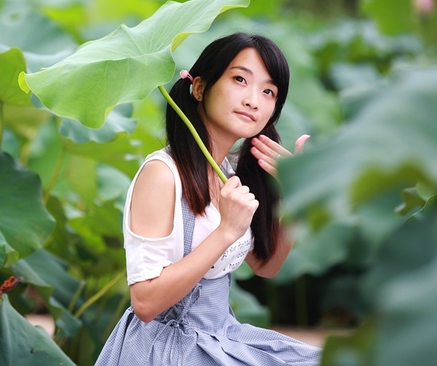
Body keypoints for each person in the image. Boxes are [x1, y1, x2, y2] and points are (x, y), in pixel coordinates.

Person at [95, 33, 321, 365]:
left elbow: (266, 266)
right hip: (168, 348)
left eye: (268, 91)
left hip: (220, 335)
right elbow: (144, 303)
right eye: (240, 79)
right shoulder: (162, 175)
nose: (253, 100)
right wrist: (225, 232)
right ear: (199, 87)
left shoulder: (229, 174)